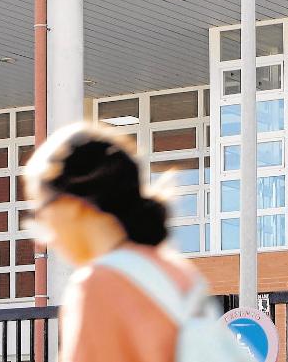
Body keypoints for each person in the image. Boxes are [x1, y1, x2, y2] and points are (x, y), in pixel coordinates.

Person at [23, 123, 204, 362]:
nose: (47, 237)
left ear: (73, 205)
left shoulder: (99, 284)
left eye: (41, 214)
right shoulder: (176, 271)